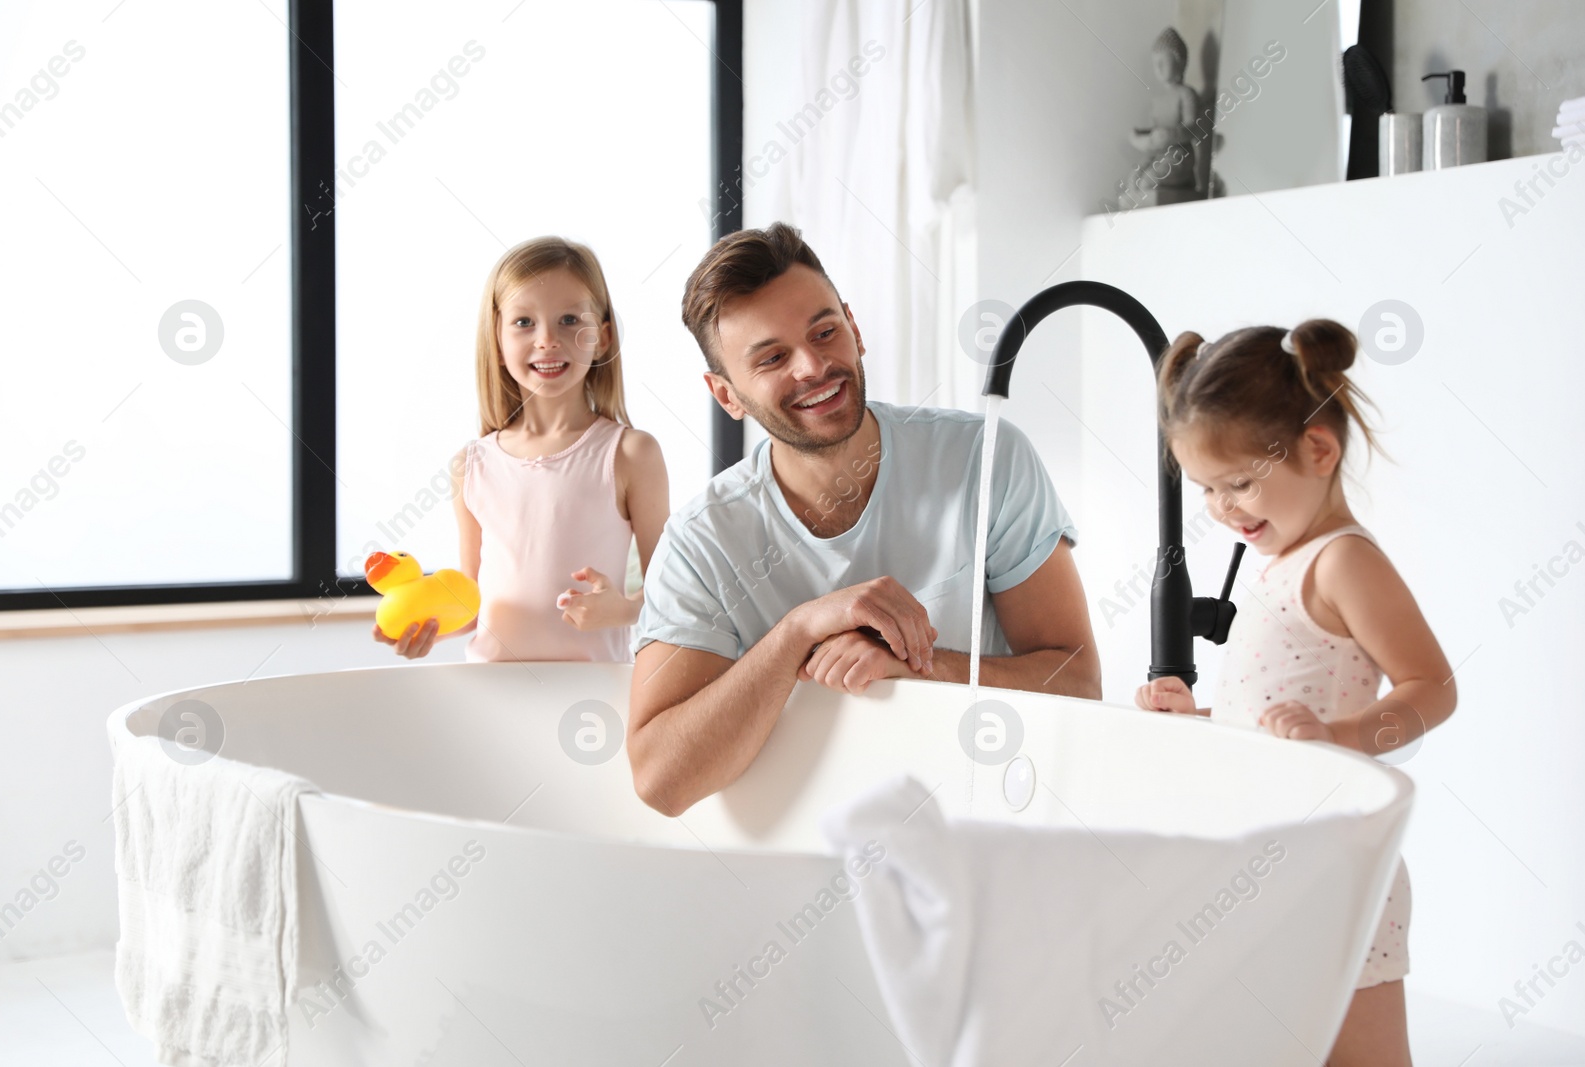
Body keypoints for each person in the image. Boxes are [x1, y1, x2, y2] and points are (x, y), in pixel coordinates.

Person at [627, 222, 1100, 816]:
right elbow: (662, 781)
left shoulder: (984, 460)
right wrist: (798, 631)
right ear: (726, 395)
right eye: (773, 357)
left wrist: (914, 667)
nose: (813, 366)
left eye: (825, 331)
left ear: (853, 327)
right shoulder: (702, 543)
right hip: (802, 852)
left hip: (991, 820)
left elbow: (1079, 682)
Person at [1137, 319, 1457, 1067]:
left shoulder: (1341, 561)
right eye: (1209, 490)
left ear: (1318, 449)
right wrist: (1203, 719)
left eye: (1240, 481)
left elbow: (1433, 687)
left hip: (1342, 866)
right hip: (1269, 864)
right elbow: (1273, 715)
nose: (1223, 508)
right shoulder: (1278, 561)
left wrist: (1342, 739)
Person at [374, 236, 668, 662]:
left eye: (569, 319)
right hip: (490, 693)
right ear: (496, 339)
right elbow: (472, 608)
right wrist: (424, 629)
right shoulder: (470, 466)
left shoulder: (630, 454)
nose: (547, 339)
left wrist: (623, 609)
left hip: (593, 701)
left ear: (602, 338)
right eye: (524, 322)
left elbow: (674, 592)